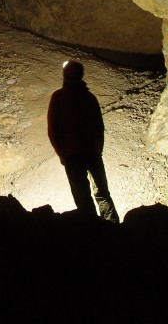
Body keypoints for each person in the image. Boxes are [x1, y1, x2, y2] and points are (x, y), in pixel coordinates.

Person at [47, 60, 120, 223]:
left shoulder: (59, 97)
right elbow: (99, 127)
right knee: (102, 192)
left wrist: (61, 153)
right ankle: (112, 226)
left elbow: (53, 128)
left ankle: (91, 229)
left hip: (72, 154)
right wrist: (97, 149)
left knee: (82, 196)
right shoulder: (89, 98)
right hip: (92, 152)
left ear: (65, 76)